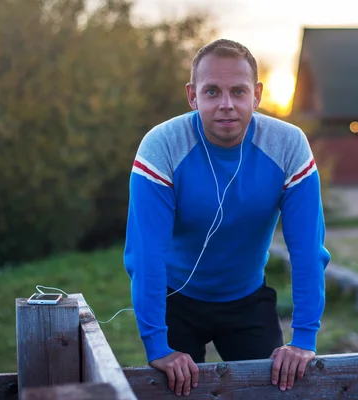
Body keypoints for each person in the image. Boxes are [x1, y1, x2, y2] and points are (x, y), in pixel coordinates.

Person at [124, 38, 330, 396]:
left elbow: (307, 250)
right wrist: (158, 346)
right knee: (175, 392)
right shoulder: (161, 146)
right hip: (176, 299)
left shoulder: (288, 145)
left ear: (257, 94)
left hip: (247, 298)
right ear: (192, 96)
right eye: (212, 92)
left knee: (277, 389)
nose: (226, 105)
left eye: (238, 91)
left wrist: (304, 338)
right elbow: (146, 253)